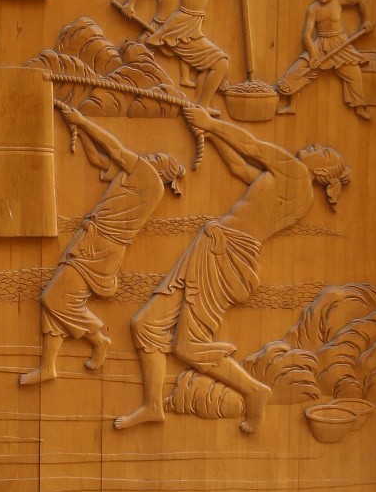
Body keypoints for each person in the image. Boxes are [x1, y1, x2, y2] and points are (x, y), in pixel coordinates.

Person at [115, 107, 349, 435]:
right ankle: (153, 406)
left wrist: (211, 123)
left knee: (189, 345)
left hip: (225, 254)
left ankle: (254, 391)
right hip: (213, 247)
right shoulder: (288, 184)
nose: (315, 147)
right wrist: (210, 134)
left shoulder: (296, 173)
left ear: (322, 171)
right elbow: (239, 166)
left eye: (323, 153)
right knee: (146, 325)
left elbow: (251, 145)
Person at [20, 106, 185, 387]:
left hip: (101, 248)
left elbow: (116, 150)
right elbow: (98, 158)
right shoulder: (135, 177)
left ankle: (98, 338)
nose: (150, 156)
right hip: (93, 242)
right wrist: (77, 128)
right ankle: (48, 367)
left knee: (53, 298)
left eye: (157, 158)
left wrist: (82, 120)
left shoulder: (148, 178)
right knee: (58, 301)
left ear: (163, 172)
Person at [142, 0, 246, 107]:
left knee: (211, 64)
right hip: (185, 27)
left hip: (189, 25)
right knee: (221, 63)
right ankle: (203, 105)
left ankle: (201, 104)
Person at [286, 0, 373, 118]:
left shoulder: (338, 1)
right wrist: (313, 57)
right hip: (319, 44)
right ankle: (291, 106)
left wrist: (366, 20)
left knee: (355, 75)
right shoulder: (313, 9)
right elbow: (306, 35)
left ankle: (359, 106)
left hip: (340, 43)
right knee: (298, 70)